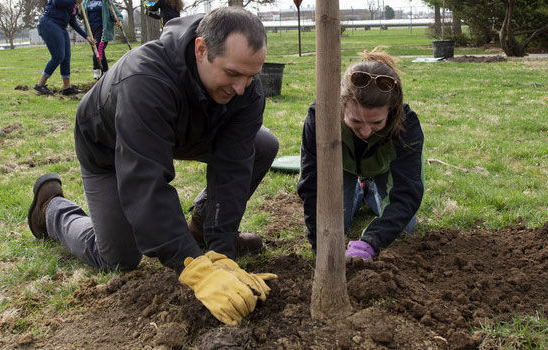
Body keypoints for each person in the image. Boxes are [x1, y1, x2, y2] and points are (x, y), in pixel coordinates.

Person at [26, 7, 279, 326]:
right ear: (201, 50)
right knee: (119, 257)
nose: (243, 88)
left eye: (251, 76)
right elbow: (146, 183)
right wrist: (194, 268)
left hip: (183, 130)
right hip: (107, 146)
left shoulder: (245, 88)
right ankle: (50, 210)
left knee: (261, 144)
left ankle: (201, 226)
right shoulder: (146, 79)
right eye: (232, 74)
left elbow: (234, 165)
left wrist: (221, 252)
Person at [297, 49, 424, 262]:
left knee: (405, 228)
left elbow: (407, 193)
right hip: (341, 169)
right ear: (341, 107)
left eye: (377, 123)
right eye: (355, 121)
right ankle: (359, 191)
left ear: (391, 112)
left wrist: (372, 241)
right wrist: (319, 244)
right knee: (338, 227)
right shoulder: (320, 117)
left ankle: (370, 190)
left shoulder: (406, 125)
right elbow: (311, 186)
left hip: (384, 169)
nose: (365, 132)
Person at [34, 0, 96, 96]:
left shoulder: (74, 6)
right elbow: (57, 3)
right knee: (58, 56)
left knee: (66, 57)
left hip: (61, 27)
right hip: (49, 23)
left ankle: (67, 87)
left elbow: (73, 22)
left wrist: (86, 36)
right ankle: (40, 85)